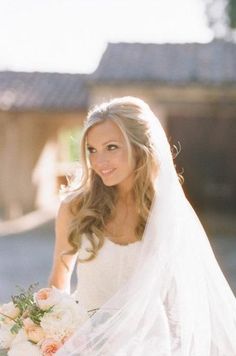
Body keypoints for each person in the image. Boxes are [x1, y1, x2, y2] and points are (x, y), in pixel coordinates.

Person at [49, 97, 236, 356]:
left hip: (151, 346)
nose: (99, 160)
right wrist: (47, 332)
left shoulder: (167, 212)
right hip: (87, 344)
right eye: (92, 150)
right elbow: (58, 284)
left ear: (140, 148)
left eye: (111, 147)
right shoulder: (75, 207)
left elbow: (179, 300)